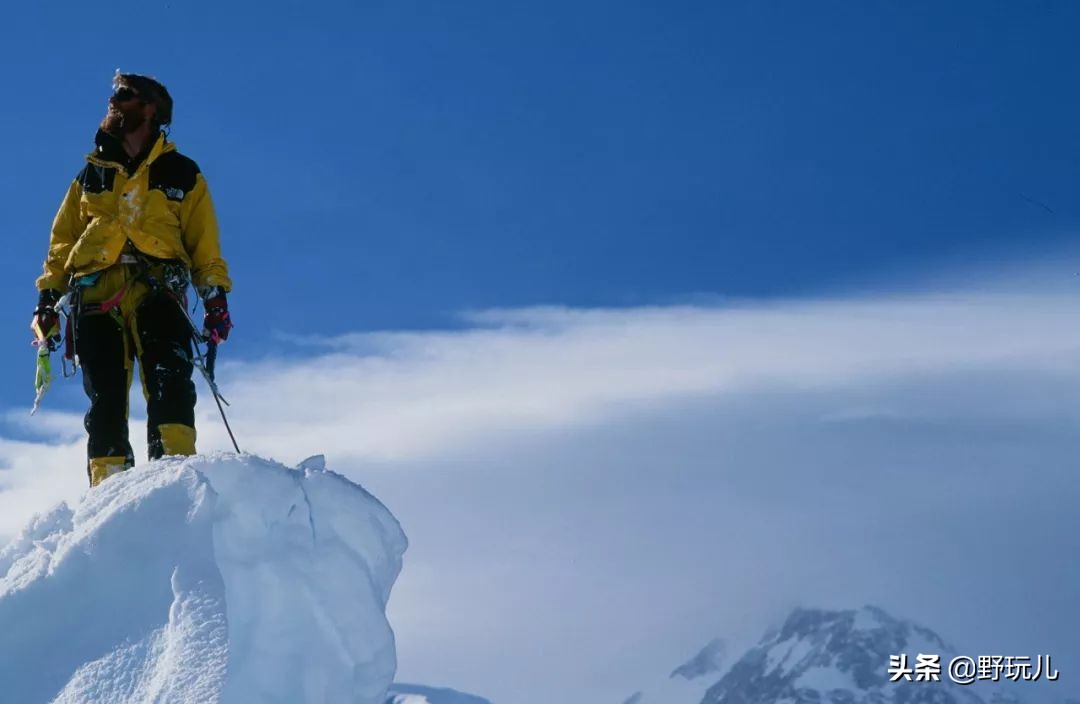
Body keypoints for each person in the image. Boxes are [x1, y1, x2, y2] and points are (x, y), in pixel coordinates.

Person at [33, 72, 233, 487]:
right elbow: (60, 245)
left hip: (159, 290)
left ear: (150, 109)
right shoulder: (89, 175)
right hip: (94, 295)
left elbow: (204, 245)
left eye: (124, 95)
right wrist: (48, 301)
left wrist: (214, 299)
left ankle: (173, 482)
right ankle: (109, 494)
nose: (114, 101)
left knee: (170, 386)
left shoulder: (181, 173)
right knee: (104, 401)